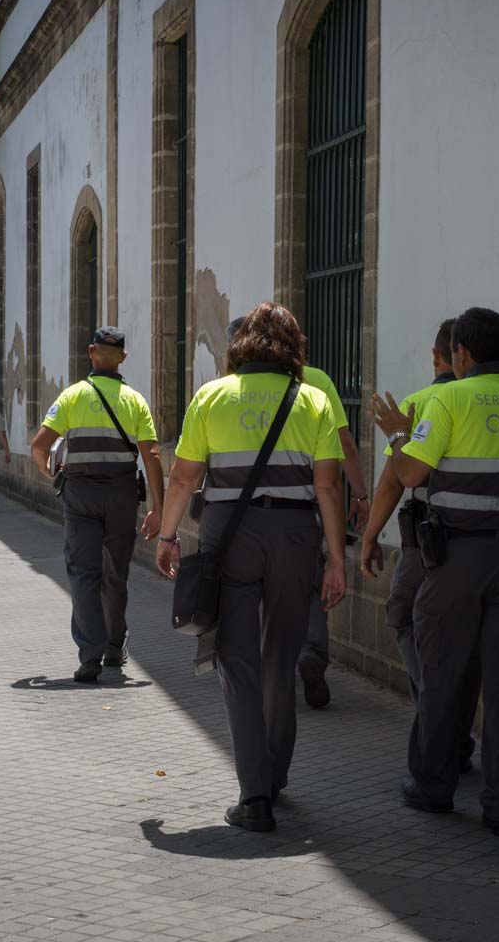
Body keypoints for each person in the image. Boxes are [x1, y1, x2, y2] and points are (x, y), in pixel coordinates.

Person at [159, 303, 348, 832]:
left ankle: (254, 794)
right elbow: (328, 487)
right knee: (280, 657)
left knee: (236, 660)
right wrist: (336, 559)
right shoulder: (313, 400)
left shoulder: (212, 396)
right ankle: (276, 775)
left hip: (231, 536)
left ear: (241, 346)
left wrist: (169, 536)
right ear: (292, 347)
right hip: (294, 536)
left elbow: (183, 478)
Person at [370, 307, 499, 836]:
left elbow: (408, 474)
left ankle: (432, 787)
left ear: (461, 354)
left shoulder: (449, 397)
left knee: (445, 676)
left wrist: (397, 434)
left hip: (457, 559)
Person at [222, 317, 369, 711]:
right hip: (307, 507)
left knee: (254, 590)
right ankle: (310, 654)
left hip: (242, 514)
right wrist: (361, 493)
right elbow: (345, 445)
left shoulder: (226, 390)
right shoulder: (317, 381)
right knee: (308, 581)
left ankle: (268, 667)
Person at [360, 318, 479, 775]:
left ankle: (437, 715)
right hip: (486, 545)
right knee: (466, 643)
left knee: (402, 615)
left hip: (427, 542)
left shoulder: (421, 402)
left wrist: (370, 536)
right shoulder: (489, 402)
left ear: (438, 357)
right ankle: (456, 731)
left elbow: (394, 481)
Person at [30, 327, 165, 681]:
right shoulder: (135, 400)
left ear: (92, 353)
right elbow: (151, 455)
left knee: (84, 574)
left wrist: (53, 476)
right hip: (122, 495)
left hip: (80, 495)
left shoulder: (72, 396)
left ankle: (89, 654)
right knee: (115, 575)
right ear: (123, 356)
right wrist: (159, 507)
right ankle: (115, 647)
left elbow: (39, 446)